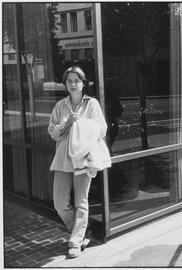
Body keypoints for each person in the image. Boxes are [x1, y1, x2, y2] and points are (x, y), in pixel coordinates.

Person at [48, 66, 108, 258]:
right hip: (63, 159)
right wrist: (66, 124)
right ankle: (81, 231)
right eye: (69, 81)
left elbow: (102, 129)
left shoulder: (92, 104)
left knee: (81, 200)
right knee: (59, 203)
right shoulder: (60, 106)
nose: (73, 84)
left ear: (83, 83)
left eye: (77, 80)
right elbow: (53, 133)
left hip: (83, 158)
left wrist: (80, 124)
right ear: (65, 84)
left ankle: (75, 240)